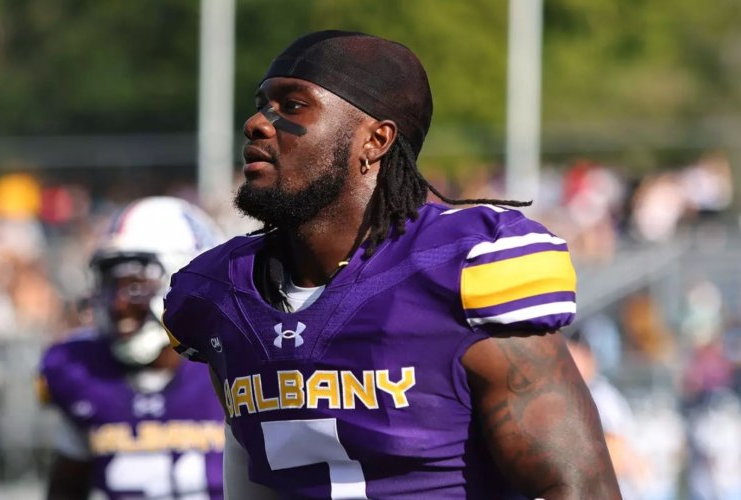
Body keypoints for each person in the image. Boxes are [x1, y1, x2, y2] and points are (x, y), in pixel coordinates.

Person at [163, 31, 620, 499]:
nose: (257, 123)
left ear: (375, 140)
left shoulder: (461, 270)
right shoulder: (220, 292)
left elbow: (581, 487)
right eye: (262, 105)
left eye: (293, 106)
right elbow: (252, 473)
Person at [36, 196, 227, 500]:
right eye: (113, 285)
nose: (119, 304)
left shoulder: (235, 365)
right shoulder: (80, 368)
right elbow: (65, 487)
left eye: (135, 286)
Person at [566, 329, 645, 499]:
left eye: (575, 354)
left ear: (589, 357)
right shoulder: (582, 393)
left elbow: (615, 454)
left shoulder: (601, 396)